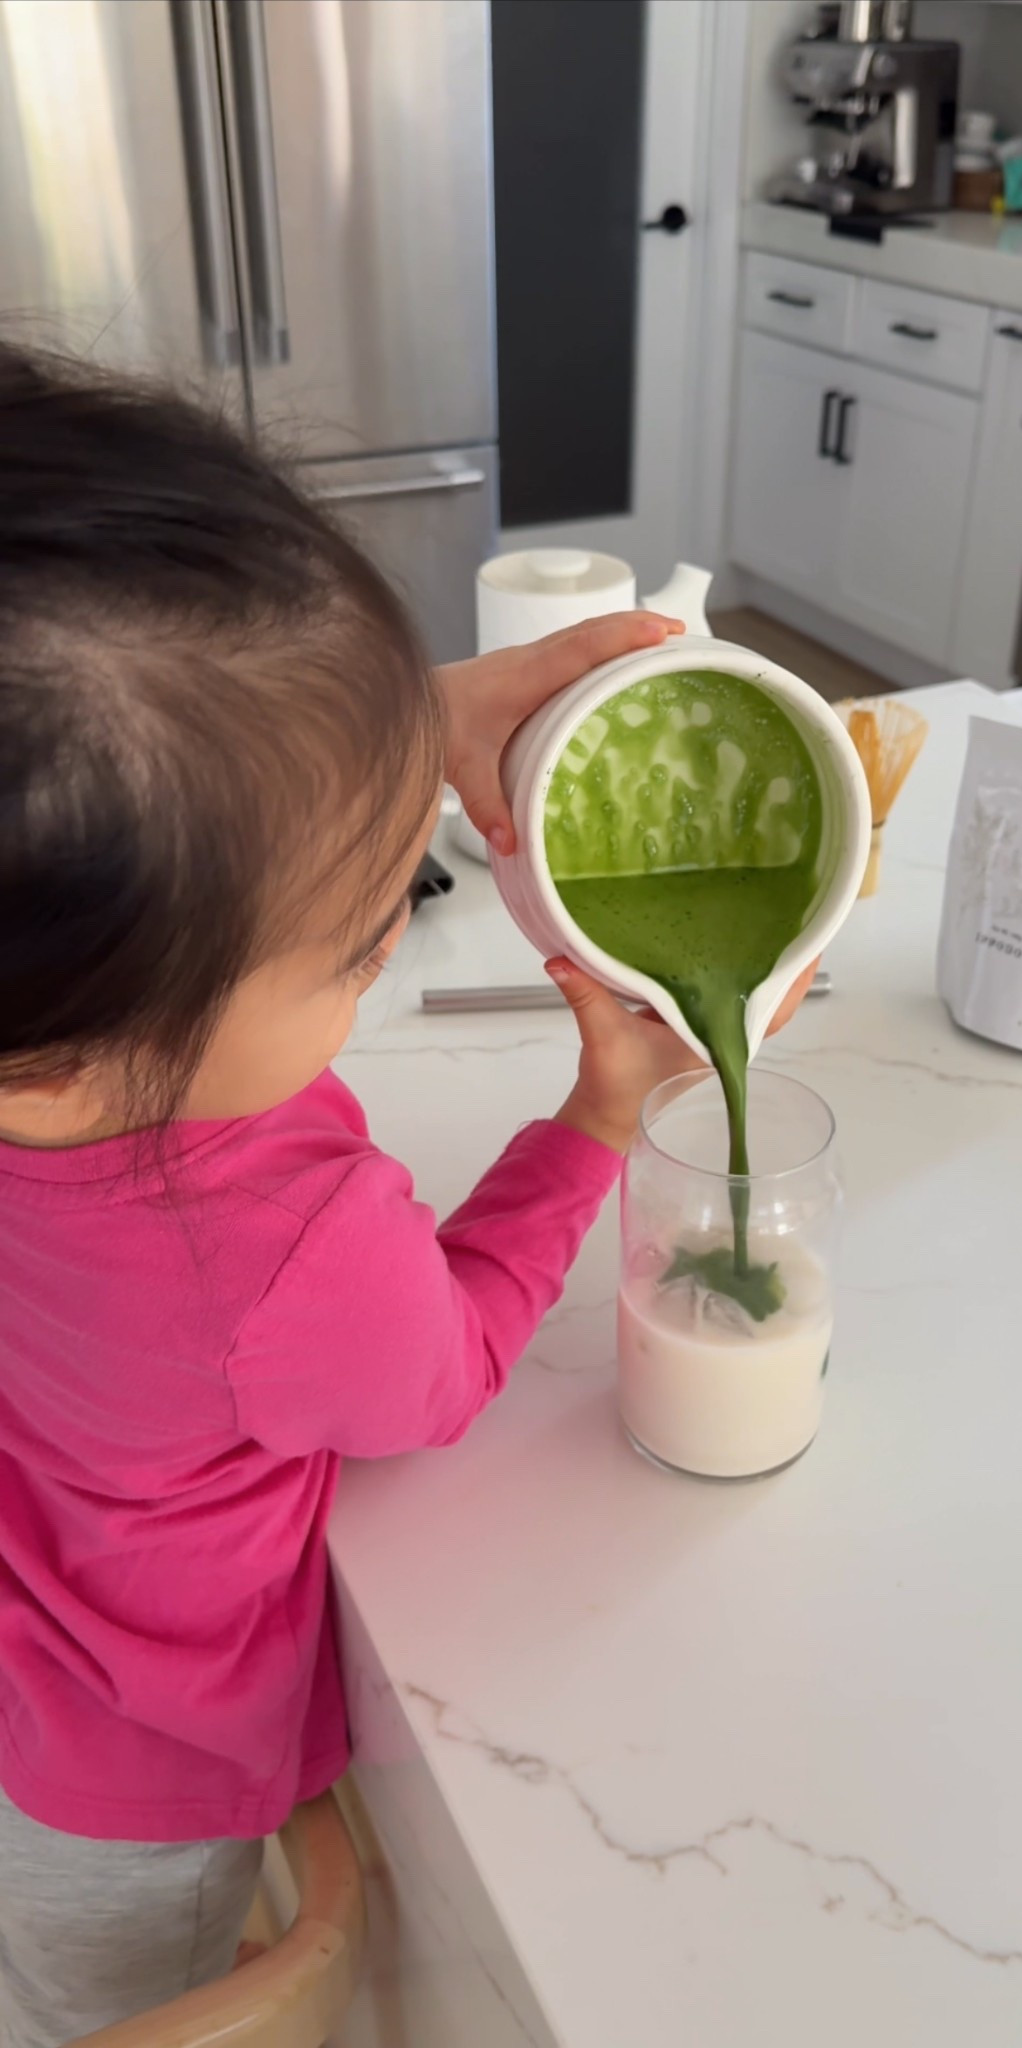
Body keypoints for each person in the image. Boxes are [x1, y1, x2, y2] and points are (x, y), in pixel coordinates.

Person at [0, 346, 813, 2045]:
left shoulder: (35, 1038)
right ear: (71, 1064)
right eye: (365, 928)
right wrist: (599, 1112)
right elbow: (436, 1376)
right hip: (136, 1785)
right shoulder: (283, 1244)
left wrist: (345, 727)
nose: (396, 935)